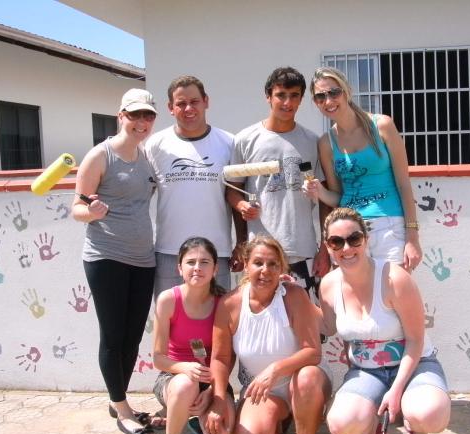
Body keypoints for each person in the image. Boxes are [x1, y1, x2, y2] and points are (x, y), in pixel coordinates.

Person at [319, 208, 450, 434]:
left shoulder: (394, 278)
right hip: (367, 372)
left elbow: (415, 340)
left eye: (354, 239)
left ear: (366, 239)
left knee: (429, 415)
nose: (346, 248)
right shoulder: (328, 285)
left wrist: (397, 389)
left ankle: (417, 432)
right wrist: (290, 295)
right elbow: (328, 327)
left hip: (415, 365)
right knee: (341, 424)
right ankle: (370, 428)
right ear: (328, 246)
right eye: (337, 242)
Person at [206, 236, 332, 434]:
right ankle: (279, 423)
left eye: (273, 264)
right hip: (264, 391)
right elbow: (220, 359)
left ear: (282, 268)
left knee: (307, 378)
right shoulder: (229, 304)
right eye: (258, 263)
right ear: (245, 265)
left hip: (304, 379)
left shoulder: (294, 296)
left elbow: (312, 352)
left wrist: (275, 370)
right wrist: (219, 399)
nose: (265, 270)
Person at [72, 88, 158, 434]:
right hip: (106, 256)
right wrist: (89, 211)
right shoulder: (100, 155)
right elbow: (76, 208)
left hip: (143, 259)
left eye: (147, 116)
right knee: (113, 335)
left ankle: (117, 398)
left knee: (134, 335)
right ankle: (122, 408)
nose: (141, 122)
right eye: (134, 115)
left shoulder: (146, 156)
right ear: (120, 116)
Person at [226, 66, 330, 299]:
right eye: (281, 95)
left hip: (302, 251)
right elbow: (233, 191)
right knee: (261, 326)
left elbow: (325, 198)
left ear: (302, 99)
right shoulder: (245, 139)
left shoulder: (312, 141)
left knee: (304, 326)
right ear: (268, 96)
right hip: (259, 254)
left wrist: (324, 248)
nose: (287, 102)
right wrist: (242, 208)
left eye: (294, 96)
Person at [303, 67, 422, 270]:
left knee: (393, 295)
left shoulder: (382, 125)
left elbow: (403, 184)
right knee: (356, 299)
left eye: (334, 92)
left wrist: (412, 237)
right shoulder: (326, 143)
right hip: (350, 231)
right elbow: (338, 198)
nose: (328, 101)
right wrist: (319, 192)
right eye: (320, 97)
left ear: (346, 91)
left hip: (390, 226)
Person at [151, 237, 234, 434]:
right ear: (179, 268)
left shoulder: (226, 303)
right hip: (174, 378)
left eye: (204, 262)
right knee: (185, 386)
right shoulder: (168, 300)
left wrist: (211, 392)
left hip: (213, 381)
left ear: (215, 269)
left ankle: (194, 419)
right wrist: (183, 368)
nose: (197, 267)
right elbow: (158, 358)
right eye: (190, 262)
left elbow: (227, 358)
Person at [146, 75, 236, 297]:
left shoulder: (229, 143)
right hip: (169, 253)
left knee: (218, 327)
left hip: (216, 254)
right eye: (181, 103)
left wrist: (241, 243)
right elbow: (141, 195)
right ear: (170, 107)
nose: (188, 108)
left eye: (194, 101)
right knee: (170, 326)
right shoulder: (155, 145)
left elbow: (235, 195)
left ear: (206, 101)